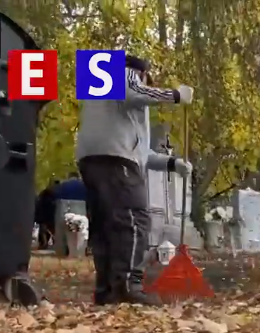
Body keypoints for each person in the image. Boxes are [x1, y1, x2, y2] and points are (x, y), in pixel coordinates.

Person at [75, 54, 193, 304]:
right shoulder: (123, 72)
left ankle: (107, 290)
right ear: (142, 73)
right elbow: (134, 91)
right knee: (134, 221)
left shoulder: (101, 98)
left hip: (90, 160)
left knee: (105, 226)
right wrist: (175, 95)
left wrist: (172, 163)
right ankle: (128, 285)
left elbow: (140, 153)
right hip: (116, 161)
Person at [34, 180, 59, 251]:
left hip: (47, 215)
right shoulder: (50, 194)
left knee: (47, 230)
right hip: (47, 215)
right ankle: (45, 243)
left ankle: (46, 243)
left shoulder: (47, 194)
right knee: (46, 230)